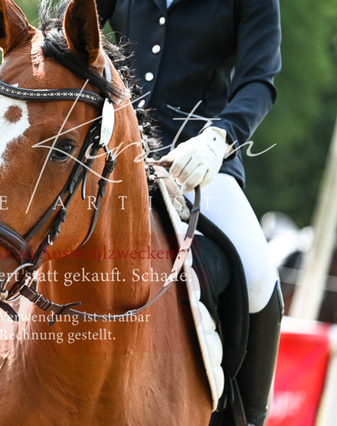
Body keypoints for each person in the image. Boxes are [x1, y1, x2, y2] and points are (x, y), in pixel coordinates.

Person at [96, 0, 283, 425]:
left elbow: (258, 81)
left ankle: (248, 417)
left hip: (199, 161)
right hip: (110, 148)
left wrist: (219, 138)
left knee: (258, 277)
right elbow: (70, 30)